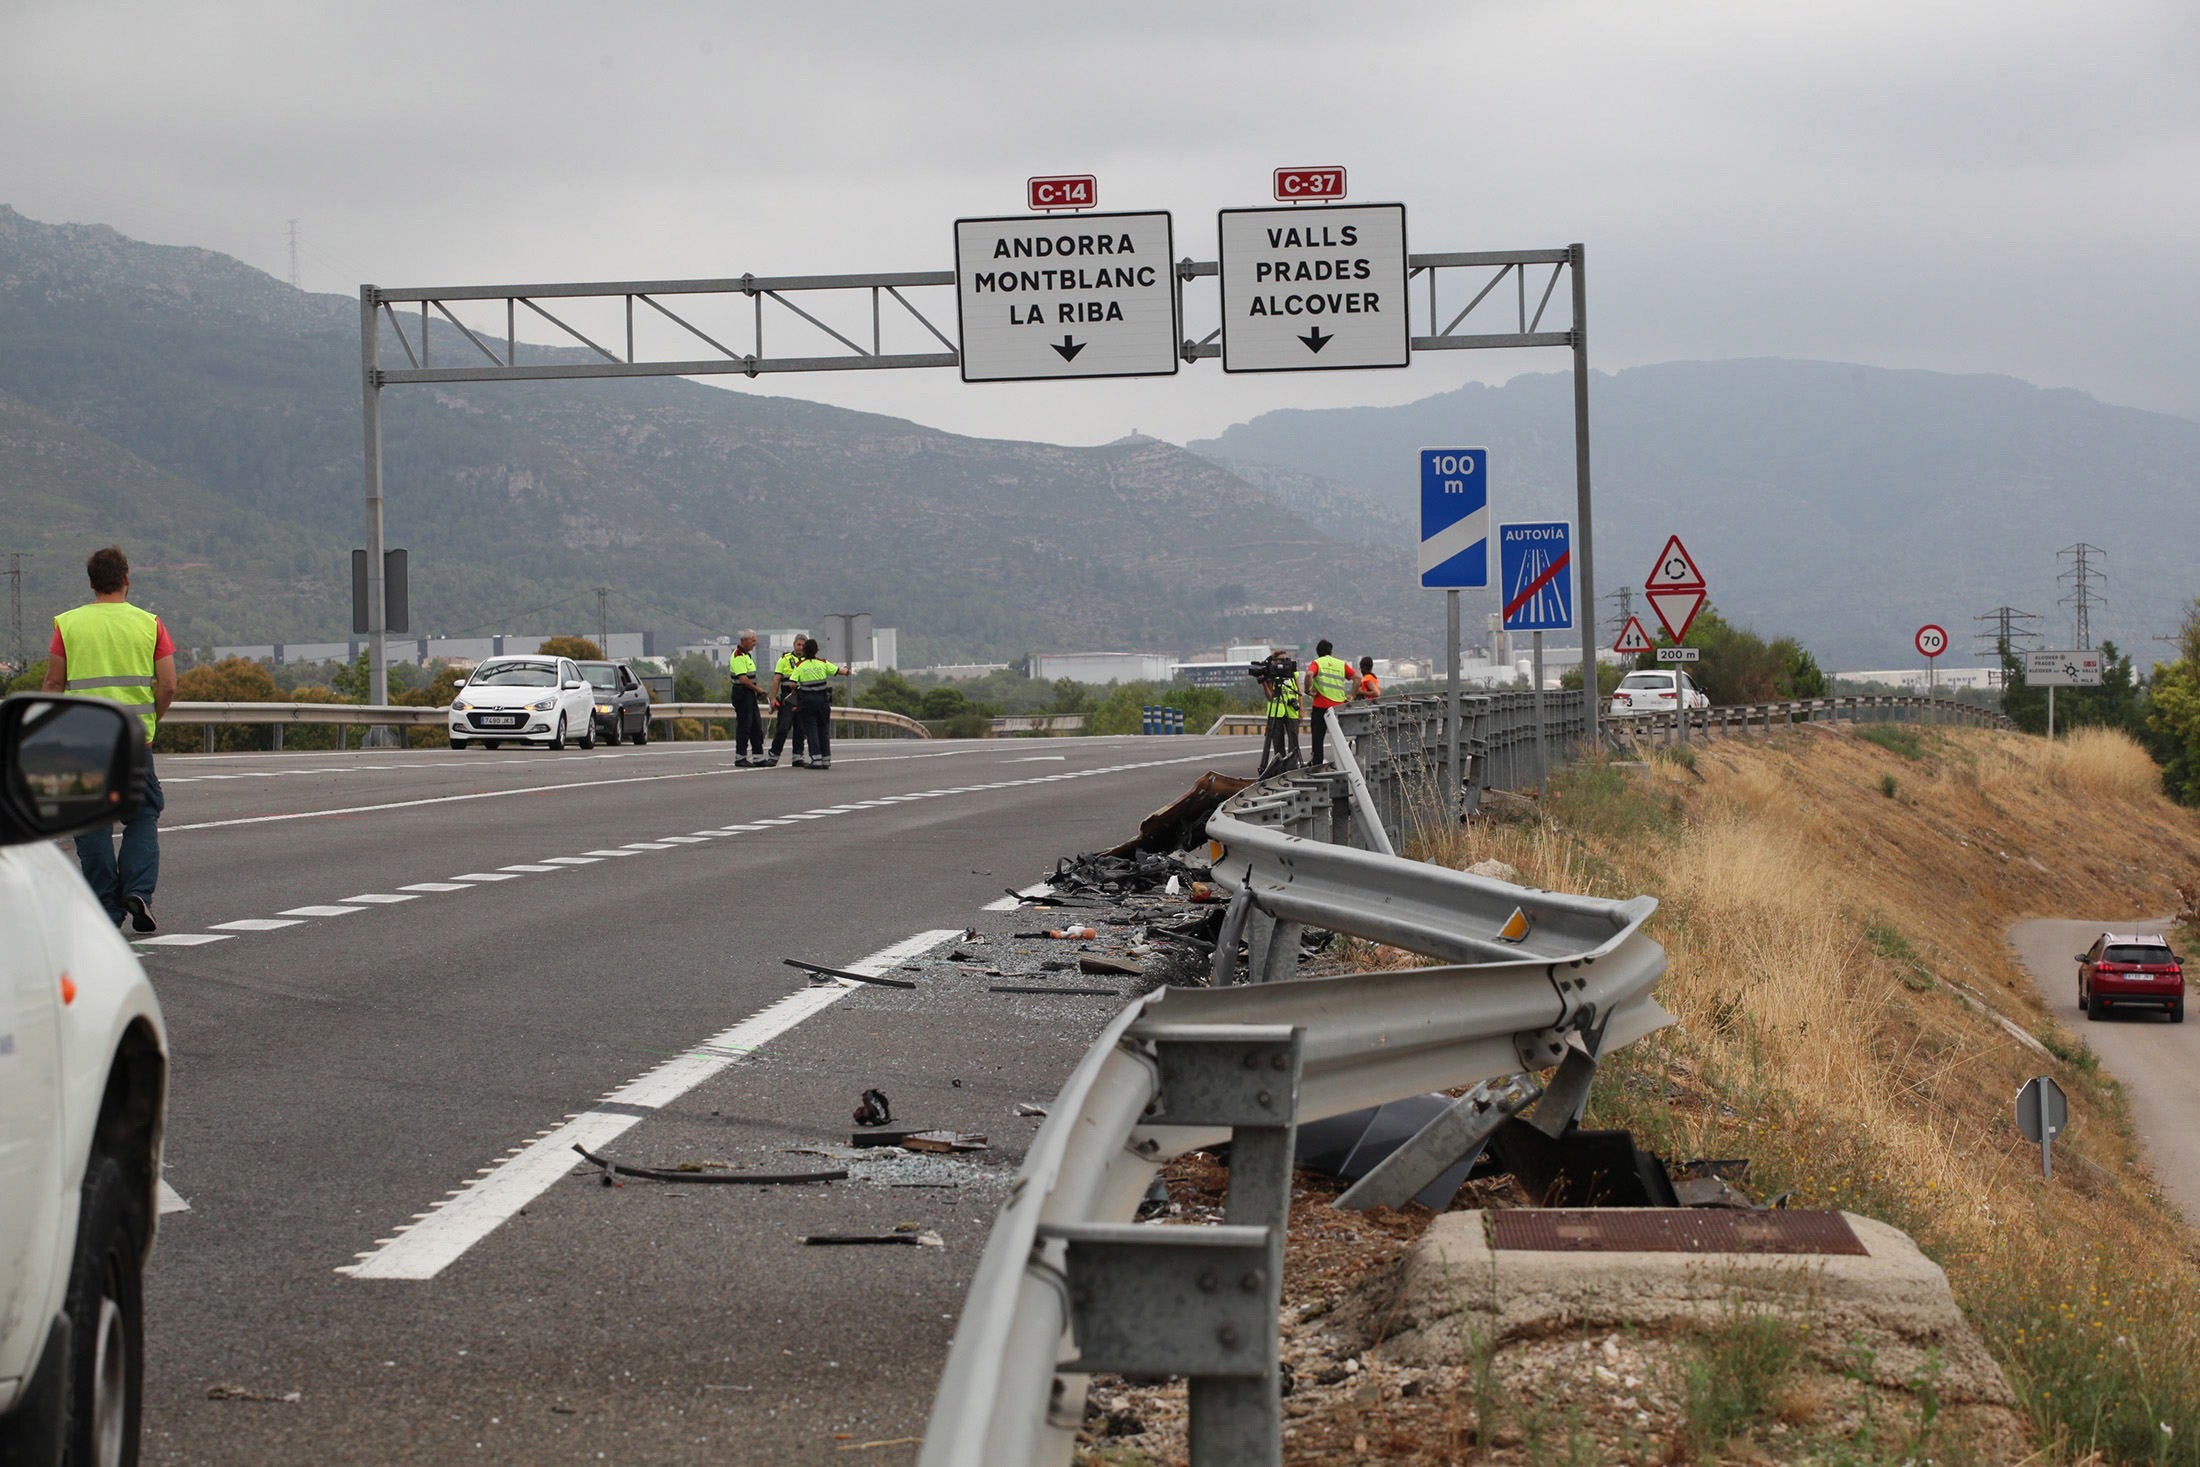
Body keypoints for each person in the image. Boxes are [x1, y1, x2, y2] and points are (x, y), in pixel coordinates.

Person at [43, 545, 175, 932]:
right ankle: (137, 891)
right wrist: (151, 720)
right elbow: (167, 685)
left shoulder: (67, 625)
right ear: (126, 578)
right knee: (142, 815)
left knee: (91, 824)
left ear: (91, 583)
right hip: (136, 742)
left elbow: (53, 682)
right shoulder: (150, 624)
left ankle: (106, 908)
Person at [788, 637, 849, 768]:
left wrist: (798, 688)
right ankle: (826, 759)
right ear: (816, 651)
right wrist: (848, 670)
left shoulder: (800, 666)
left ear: (804, 651)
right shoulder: (823, 663)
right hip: (822, 700)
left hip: (807, 701)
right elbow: (840, 671)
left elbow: (792, 683)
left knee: (811, 730)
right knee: (823, 730)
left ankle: (816, 759)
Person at [1303, 639, 1352, 765]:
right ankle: (1345, 763)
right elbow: (1357, 677)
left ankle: (1317, 764)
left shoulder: (1317, 663)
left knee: (1318, 738)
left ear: (1318, 652)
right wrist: (1352, 695)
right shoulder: (1341, 664)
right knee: (1340, 739)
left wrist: (1307, 691)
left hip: (1320, 706)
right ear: (1331, 651)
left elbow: (1309, 675)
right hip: (1339, 707)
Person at [1255, 651, 1301, 778]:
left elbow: (1298, 691)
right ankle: (1280, 768)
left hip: (1292, 711)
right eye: (1280, 660)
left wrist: (1301, 710)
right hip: (1276, 712)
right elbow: (1270, 697)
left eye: (1286, 660)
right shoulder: (1271, 675)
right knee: (1277, 741)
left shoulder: (1292, 673)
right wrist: (1265, 682)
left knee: (1294, 740)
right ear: (1274, 662)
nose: (1283, 663)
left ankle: (1293, 765)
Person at [727, 630, 766, 766]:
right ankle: (740, 757)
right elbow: (743, 679)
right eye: (753, 640)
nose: (755, 644)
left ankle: (758, 757)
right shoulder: (738, 656)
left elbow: (751, 678)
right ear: (745, 640)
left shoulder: (747, 656)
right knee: (744, 725)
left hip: (750, 694)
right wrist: (757, 689)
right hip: (742, 693)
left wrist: (757, 690)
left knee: (756, 725)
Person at [766, 636, 807, 767]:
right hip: (787, 697)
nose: (800, 647)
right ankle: (774, 755)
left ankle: (797, 756)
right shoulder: (784, 659)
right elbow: (776, 679)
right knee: (783, 727)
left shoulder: (808, 660)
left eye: (803, 645)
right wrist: (773, 698)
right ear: (794, 644)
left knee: (800, 728)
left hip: (803, 697)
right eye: (798, 644)